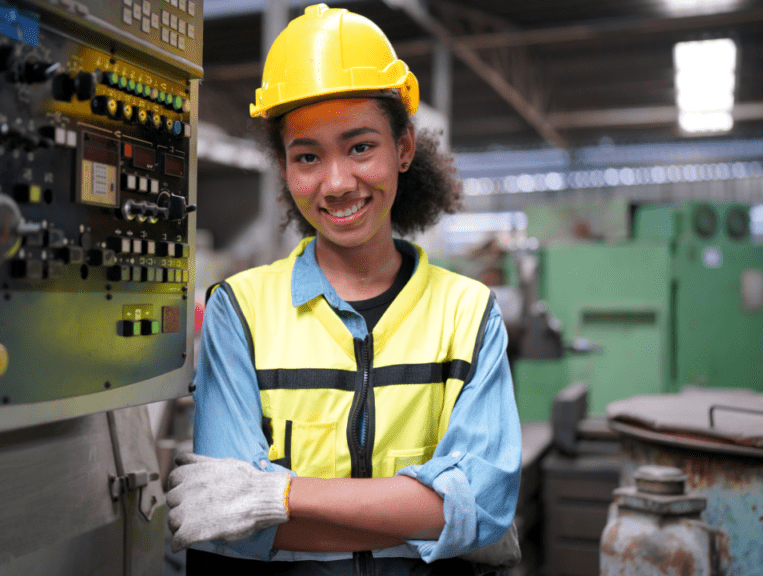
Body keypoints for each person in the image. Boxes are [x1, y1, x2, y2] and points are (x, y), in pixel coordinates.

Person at [167, 4, 522, 574]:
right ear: (285, 169)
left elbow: (485, 505)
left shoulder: (469, 312)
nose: (336, 183)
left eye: (360, 147)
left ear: (403, 148)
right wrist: (425, 518)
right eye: (307, 156)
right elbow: (225, 528)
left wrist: (275, 497)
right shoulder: (240, 311)